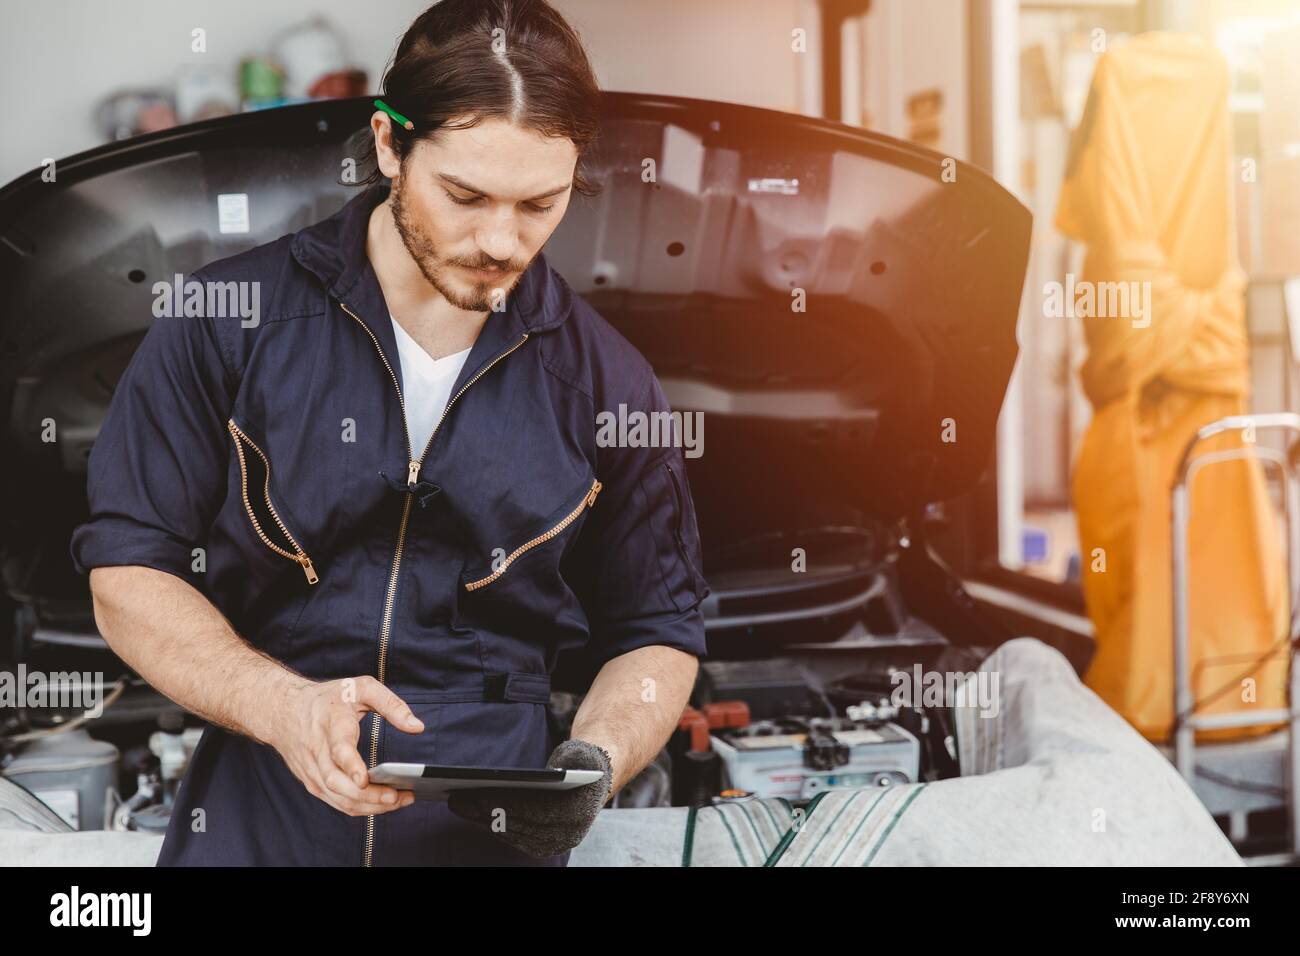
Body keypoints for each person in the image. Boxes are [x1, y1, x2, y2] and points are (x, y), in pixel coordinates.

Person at [70, 0, 710, 866]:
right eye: (465, 194)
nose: (499, 240)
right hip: (261, 807)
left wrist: (597, 762)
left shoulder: (612, 385)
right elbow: (129, 570)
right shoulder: (222, 324)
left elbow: (656, 631)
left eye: (539, 204)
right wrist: (287, 709)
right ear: (387, 144)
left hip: (492, 828)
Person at [1057, 32, 1287, 744]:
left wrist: (1163, 327)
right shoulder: (1192, 93)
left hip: (1170, 388)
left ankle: (1164, 693)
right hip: (1180, 379)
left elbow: (1117, 258)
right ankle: (1213, 695)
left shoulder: (1123, 90)